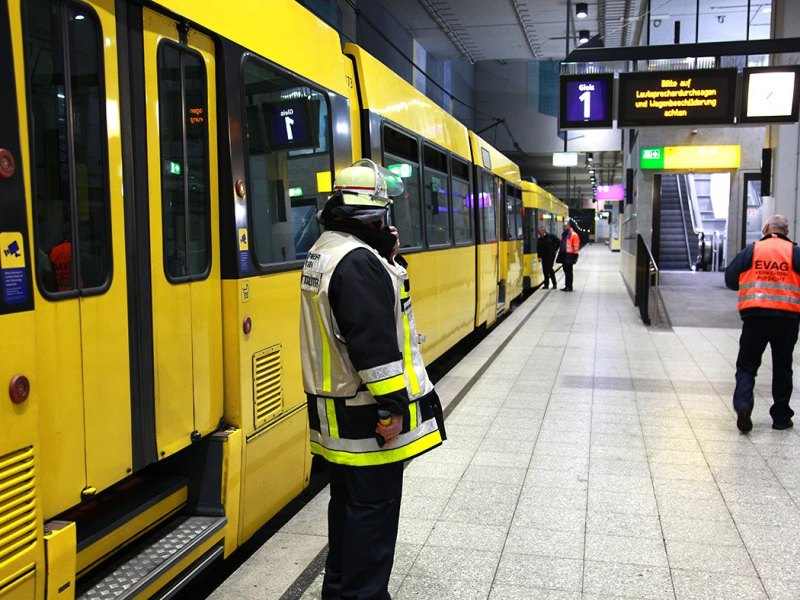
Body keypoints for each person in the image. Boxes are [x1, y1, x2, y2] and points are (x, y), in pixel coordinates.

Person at [299, 159, 445, 600]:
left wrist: (387, 256)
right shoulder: (359, 262)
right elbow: (375, 347)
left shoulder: (324, 250)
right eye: (385, 213)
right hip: (366, 419)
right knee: (372, 521)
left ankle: (340, 591)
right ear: (374, 213)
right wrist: (392, 408)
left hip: (335, 411)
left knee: (347, 511)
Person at [725, 214, 800, 433]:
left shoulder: (752, 250)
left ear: (766, 228)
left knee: (747, 366)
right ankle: (781, 417)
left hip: (755, 317)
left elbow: (730, 278)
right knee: (782, 366)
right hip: (787, 320)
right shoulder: (794, 252)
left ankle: (743, 404)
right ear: (786, 231)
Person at [556, 219, 580, 291]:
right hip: (564, 254)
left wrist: (574, 257)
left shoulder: (574, 235)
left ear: (569, 226)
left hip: (570, 255)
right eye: (564, 226)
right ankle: (567, 286)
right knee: (566, 270)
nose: (564, 227)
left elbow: (576, 247)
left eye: (566, 226)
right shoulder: (564, 234)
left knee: (569, 271)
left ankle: (569, 286)